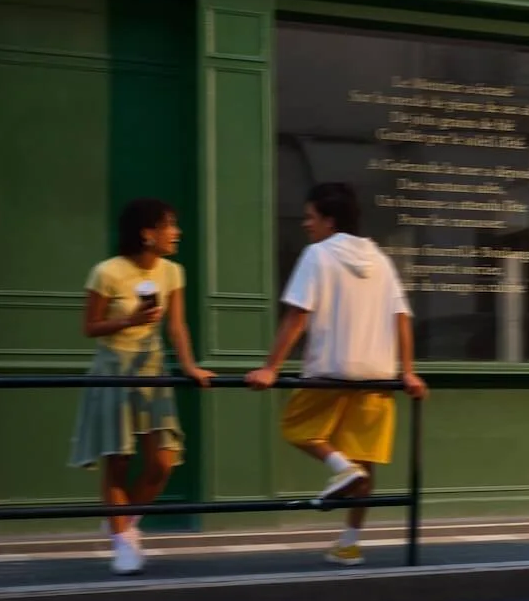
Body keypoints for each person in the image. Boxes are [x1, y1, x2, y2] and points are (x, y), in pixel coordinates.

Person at [247, 181, 427, 566]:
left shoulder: (317, 255)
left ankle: (340, 468)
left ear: (329, 221)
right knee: (365, 460)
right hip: (377, 376)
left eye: (310, 217)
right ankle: (350, 542)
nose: (305, 224)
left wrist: (270, 367)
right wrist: (408, 372)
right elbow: (401, 318)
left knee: (298, 428)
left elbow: (297, 316)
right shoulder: (380, 259)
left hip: (329, 372)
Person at [69, 197, 213, 575]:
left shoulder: (173, 272)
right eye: (170, 225)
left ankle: (123, 522)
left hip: (152, 370)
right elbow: (90, 327)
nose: (177, 233)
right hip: (113, 371)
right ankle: (123, 541)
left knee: (162, 462)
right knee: (118, 461)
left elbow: (177, 326)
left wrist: (189, 366)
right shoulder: (107, 272)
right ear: (147, 233)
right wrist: (129, 320)